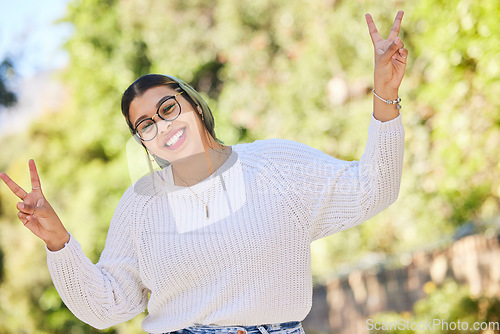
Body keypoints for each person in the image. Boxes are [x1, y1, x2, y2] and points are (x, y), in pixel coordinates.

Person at [0, 11, 407, 334]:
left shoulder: (277, 166)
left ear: (193, 104)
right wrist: (58, 242)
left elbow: (373, 189)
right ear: (142, 141)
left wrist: (385, 95)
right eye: (145, 125)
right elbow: (107, 307)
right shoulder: (141, 205)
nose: (162, 126)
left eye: (168, 109)